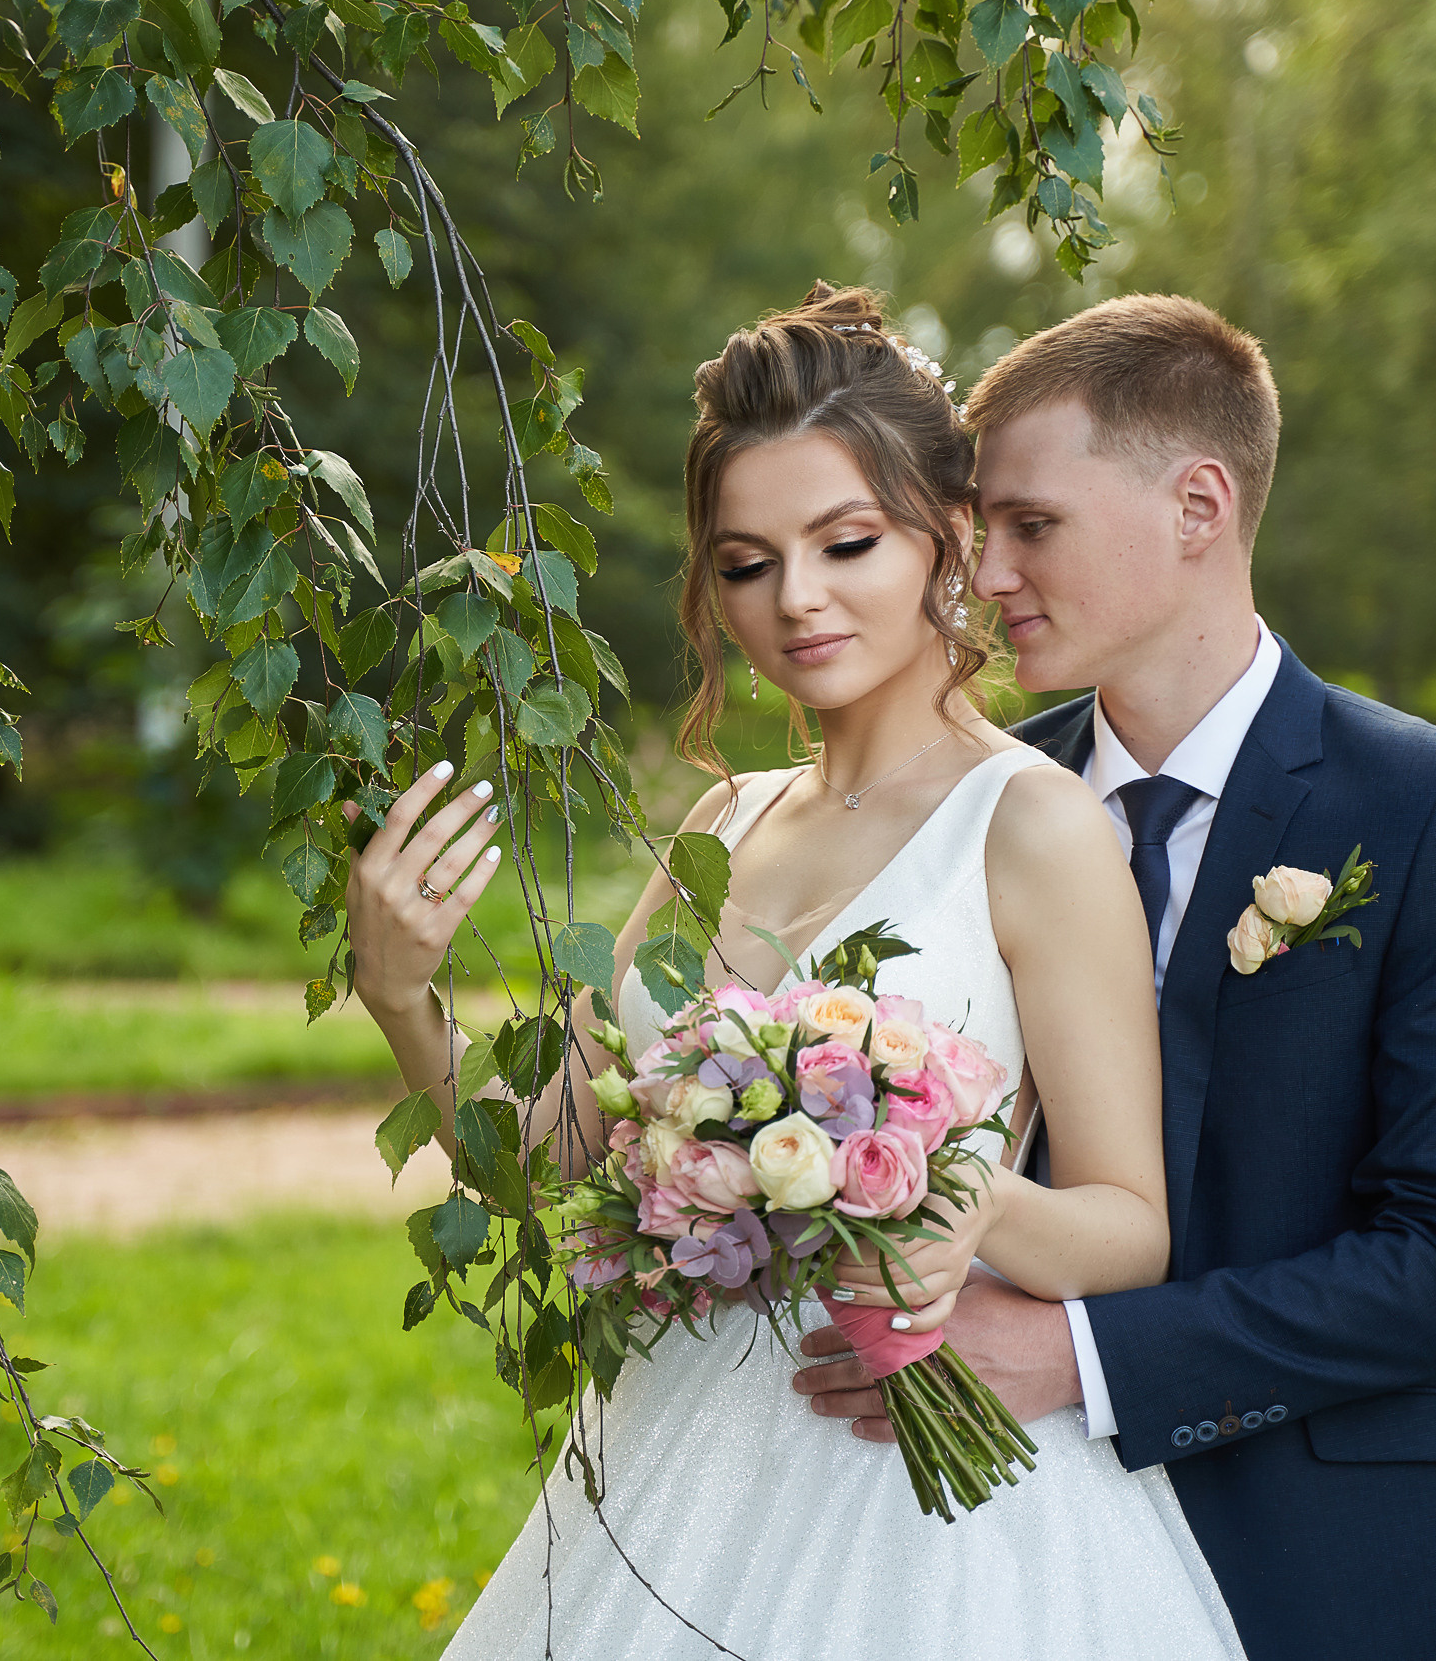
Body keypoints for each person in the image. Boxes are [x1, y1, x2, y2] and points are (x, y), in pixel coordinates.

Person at [341, 284, 1245, 1657]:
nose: (798, 600)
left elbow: (1132, 1225)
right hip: (680, 1453)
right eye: (750, 562)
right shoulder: (722, 825)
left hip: (908, 1485)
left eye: (847, 543)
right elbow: (546, 1161)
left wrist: (964, 1205)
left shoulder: (1036, 826)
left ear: (946, 535)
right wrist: (403, 997)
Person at [793, 294, 1436, 1661]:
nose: (984, 578)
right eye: (979, 532)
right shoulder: (966, 807)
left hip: (1332, 1550)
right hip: (989, 1554)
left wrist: (1079, 1362)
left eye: (1032, 526)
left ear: (1199, 507)